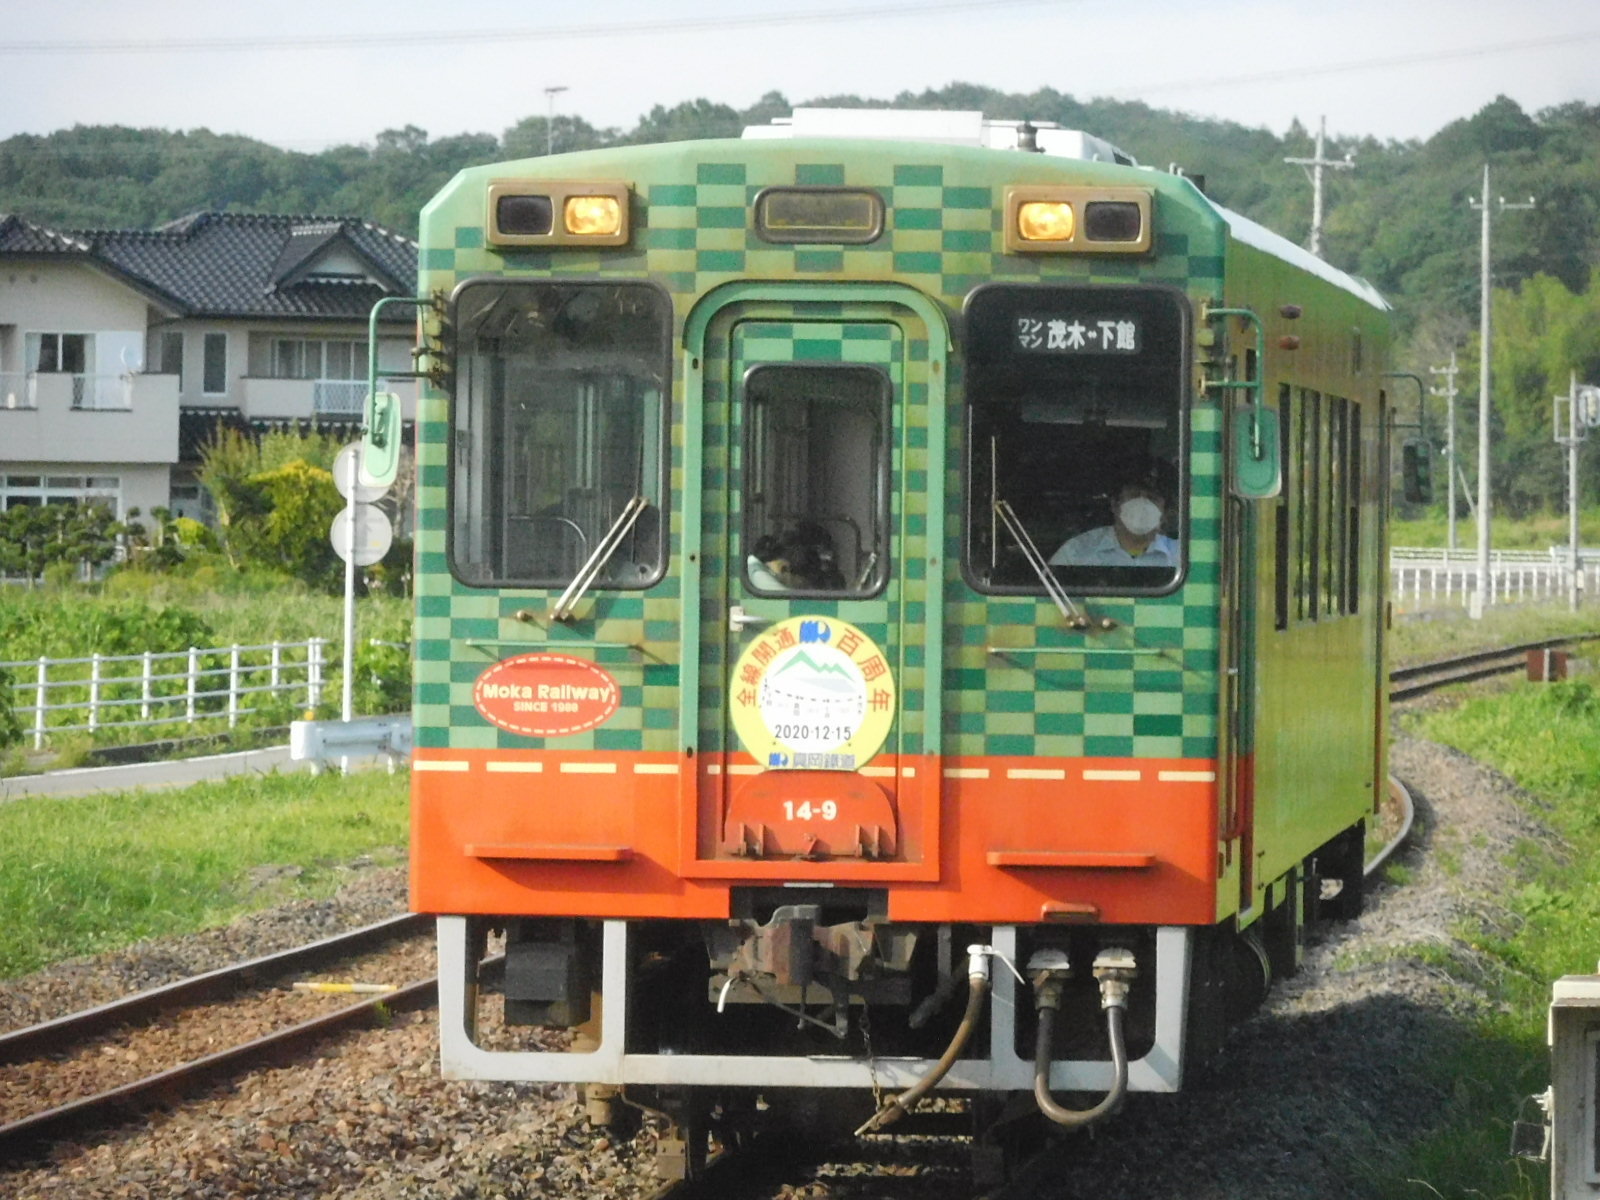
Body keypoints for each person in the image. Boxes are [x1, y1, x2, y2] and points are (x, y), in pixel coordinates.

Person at [1050, 478, 1178, 567]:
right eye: (1134, 495)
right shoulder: (1076, 552)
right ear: (1115, 505)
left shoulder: (1180, 555)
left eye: (1152, 498)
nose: (1142, 505)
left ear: (1164, 511)